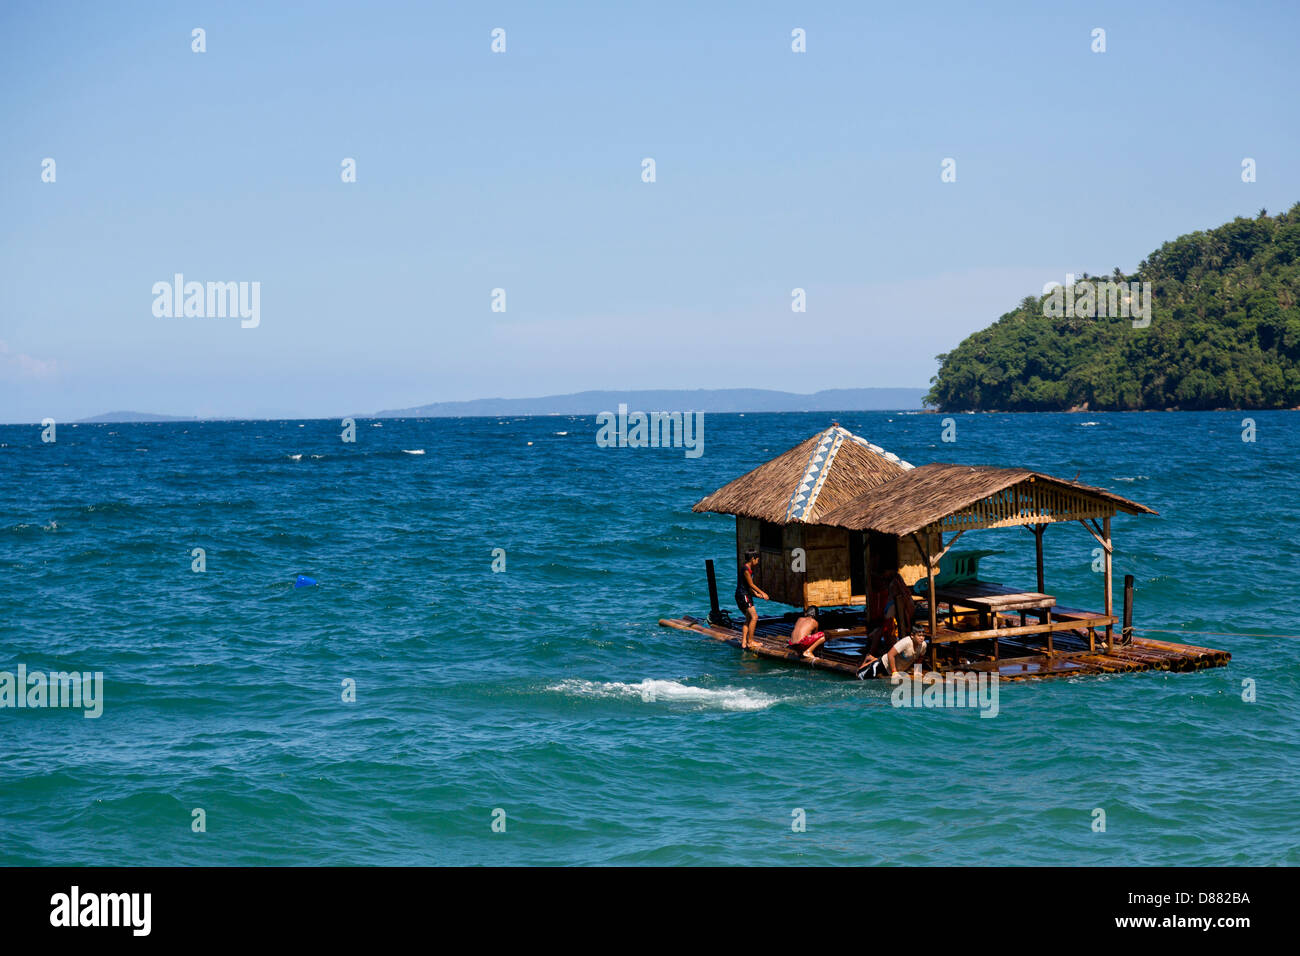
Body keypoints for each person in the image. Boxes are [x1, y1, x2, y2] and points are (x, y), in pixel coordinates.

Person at [856, 631, 928, 680]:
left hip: (898, 668)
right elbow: (890, 654)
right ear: (912, 636)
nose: (921, 638)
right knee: (860, 675)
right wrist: (894, 672)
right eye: (919, 636)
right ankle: (871, 660)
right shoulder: (905, 642)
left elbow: (921, 656)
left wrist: (917, 671)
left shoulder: (923, 645)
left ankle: (873, 659)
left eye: (923, 636)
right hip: (885, 664)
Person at [735, 549, 768, 650]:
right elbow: (751, 584)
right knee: (754, 617)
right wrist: (763, 593)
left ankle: (744, 642)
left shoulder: (748, 568)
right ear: (753, 559)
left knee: (748, 618)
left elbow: (746, 585)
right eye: (757, 559)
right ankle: (750, 641)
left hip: (744, 594)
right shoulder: (746, 569)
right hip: (743, 595)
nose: (758, 562)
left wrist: (756, 594)